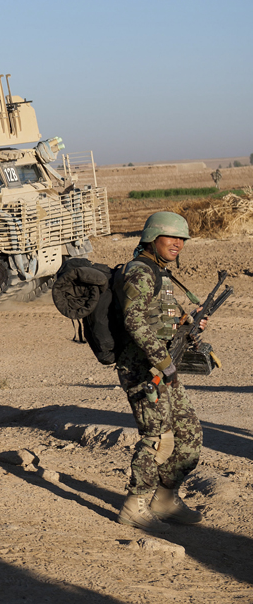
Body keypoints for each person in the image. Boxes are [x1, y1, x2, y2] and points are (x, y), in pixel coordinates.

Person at [115, 212, 206, 533]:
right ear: (153, 238)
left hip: (164, 368)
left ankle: (165, 500)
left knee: (190, 436)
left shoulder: (160, 273)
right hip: (143, 369)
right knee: (158, 440)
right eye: (171, 238)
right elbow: (134, 321)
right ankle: (134, 505)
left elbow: (161, 319)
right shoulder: (140, 272)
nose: (178, 244)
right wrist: (162, 362)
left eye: (182, 239)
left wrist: (188, 323)